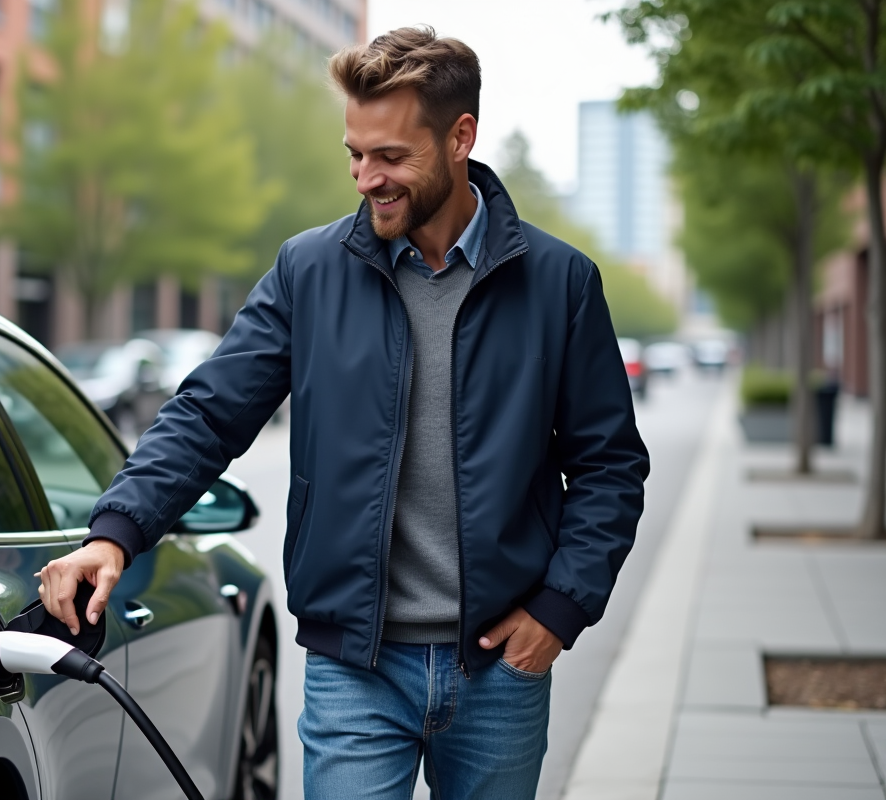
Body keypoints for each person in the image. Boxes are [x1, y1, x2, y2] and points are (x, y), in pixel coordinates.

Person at [37, 26, 649, 800]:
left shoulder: (560, 282)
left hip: (500, 667)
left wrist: (561, 609)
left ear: (461, 137)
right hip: (355, 669)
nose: (366, 178)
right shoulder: (309, 271)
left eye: (390, 156)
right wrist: (114, 532)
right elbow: (209, 413)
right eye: (355, 155)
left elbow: (609, 466)